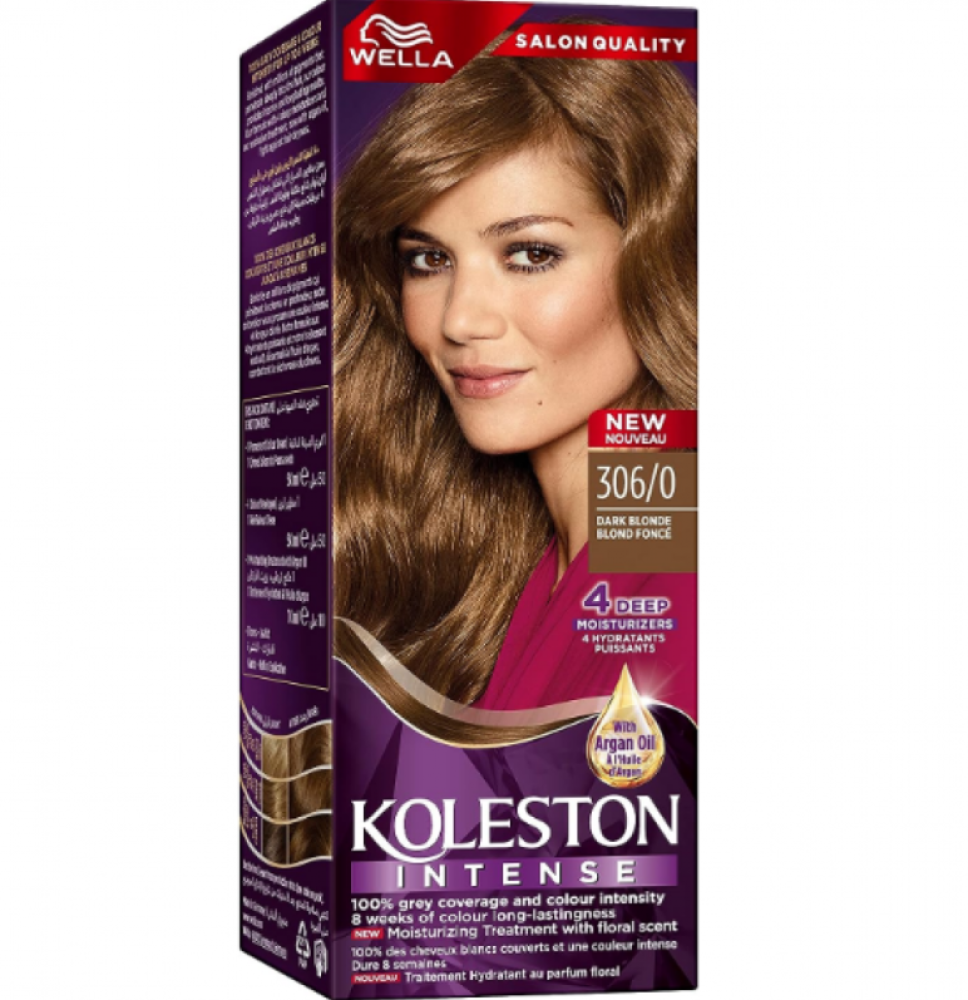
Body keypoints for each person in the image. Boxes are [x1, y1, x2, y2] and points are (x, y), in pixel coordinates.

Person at [334, 36, 697, 713]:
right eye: (428, 261)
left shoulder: (682, 576)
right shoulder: (525, 563)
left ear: (658, 256)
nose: (460, 320)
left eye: (530, 254)